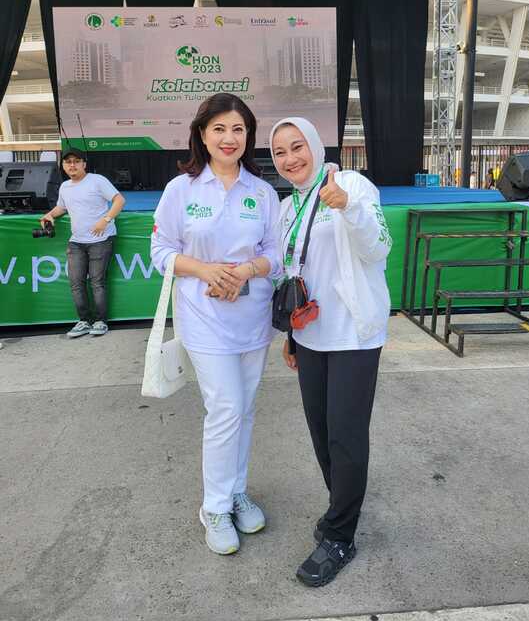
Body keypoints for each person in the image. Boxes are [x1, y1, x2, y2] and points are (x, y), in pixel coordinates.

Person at [150, 94, 281, 557]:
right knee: (225, 407)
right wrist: (206, 271)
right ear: (202, 135)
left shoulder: (262, 193)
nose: (229, 138)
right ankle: (215, 507)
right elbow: (160, 251)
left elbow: (276, 253)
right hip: (204, 319)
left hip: (253, 318)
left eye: (238, 129)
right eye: (220, 129)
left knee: (244, 409)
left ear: (248, 136)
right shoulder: (181, 190)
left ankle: (237, 490)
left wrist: (245, 271)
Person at [270, 117, 392, 588]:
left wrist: (348, 208)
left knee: (346, 436)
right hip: (310, 337)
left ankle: (341, 535)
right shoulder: (287, 207)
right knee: (321, 434)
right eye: (280, 152)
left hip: (353, 336)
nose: (290, 159)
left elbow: (379, 247)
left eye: (297, 146)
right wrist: (290, 335)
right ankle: (341, 506)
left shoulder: (352, 185)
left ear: (316, 147)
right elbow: (292, 274)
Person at [40, 148, 125, 338]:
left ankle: (101, 321)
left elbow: (119, 200)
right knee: (76, 283)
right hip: (76, 242)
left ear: (84, 164)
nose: (72, 165)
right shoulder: (65, 187)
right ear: (63, 166)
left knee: (97, 282)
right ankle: (84, 321)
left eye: (76, 161)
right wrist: (49, 215)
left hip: (101, 240)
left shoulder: (97, 180)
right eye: (68, 162)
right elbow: (62, 207)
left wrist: (106, 220)